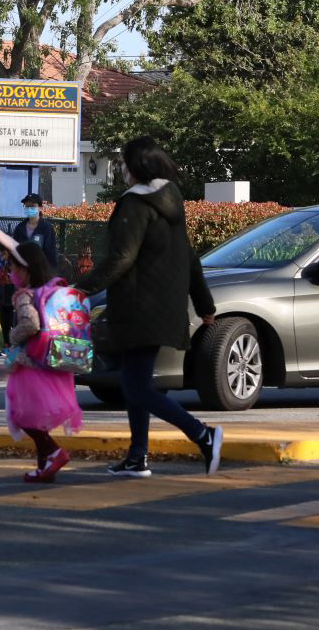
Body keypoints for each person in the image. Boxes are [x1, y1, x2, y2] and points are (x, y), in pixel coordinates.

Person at [75, 136, 223, 478]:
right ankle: (137, 456)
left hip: (137, 306)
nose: (122, 169)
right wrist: (205, 304)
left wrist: (82, 288)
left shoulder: (135, 204)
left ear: (137, 166)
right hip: (162, 306)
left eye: (125, 162)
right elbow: (189, 257)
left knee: (137, 387)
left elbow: (121, 257)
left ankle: (204, 435)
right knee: (134, 382)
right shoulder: (171, 200)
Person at [0, 230, 82, 482]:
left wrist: (13, 336)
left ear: (25, 269)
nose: (11, 273)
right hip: (52, 360)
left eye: (13, 267)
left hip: (30, 363)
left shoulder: (25, 295)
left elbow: (30, 324)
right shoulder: (53, 288)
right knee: (36, 418)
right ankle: (44, 467)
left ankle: (54, 452)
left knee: (22, 415)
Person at [10, 192, 59, 272]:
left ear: (40, 208)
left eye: (32, 206)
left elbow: (50, 254)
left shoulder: (47, 228)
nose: (29, 209)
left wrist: (49, 274)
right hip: (23, 274)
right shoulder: (19, 228)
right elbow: (15, 251)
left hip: (41, 273)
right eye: (27, 206)